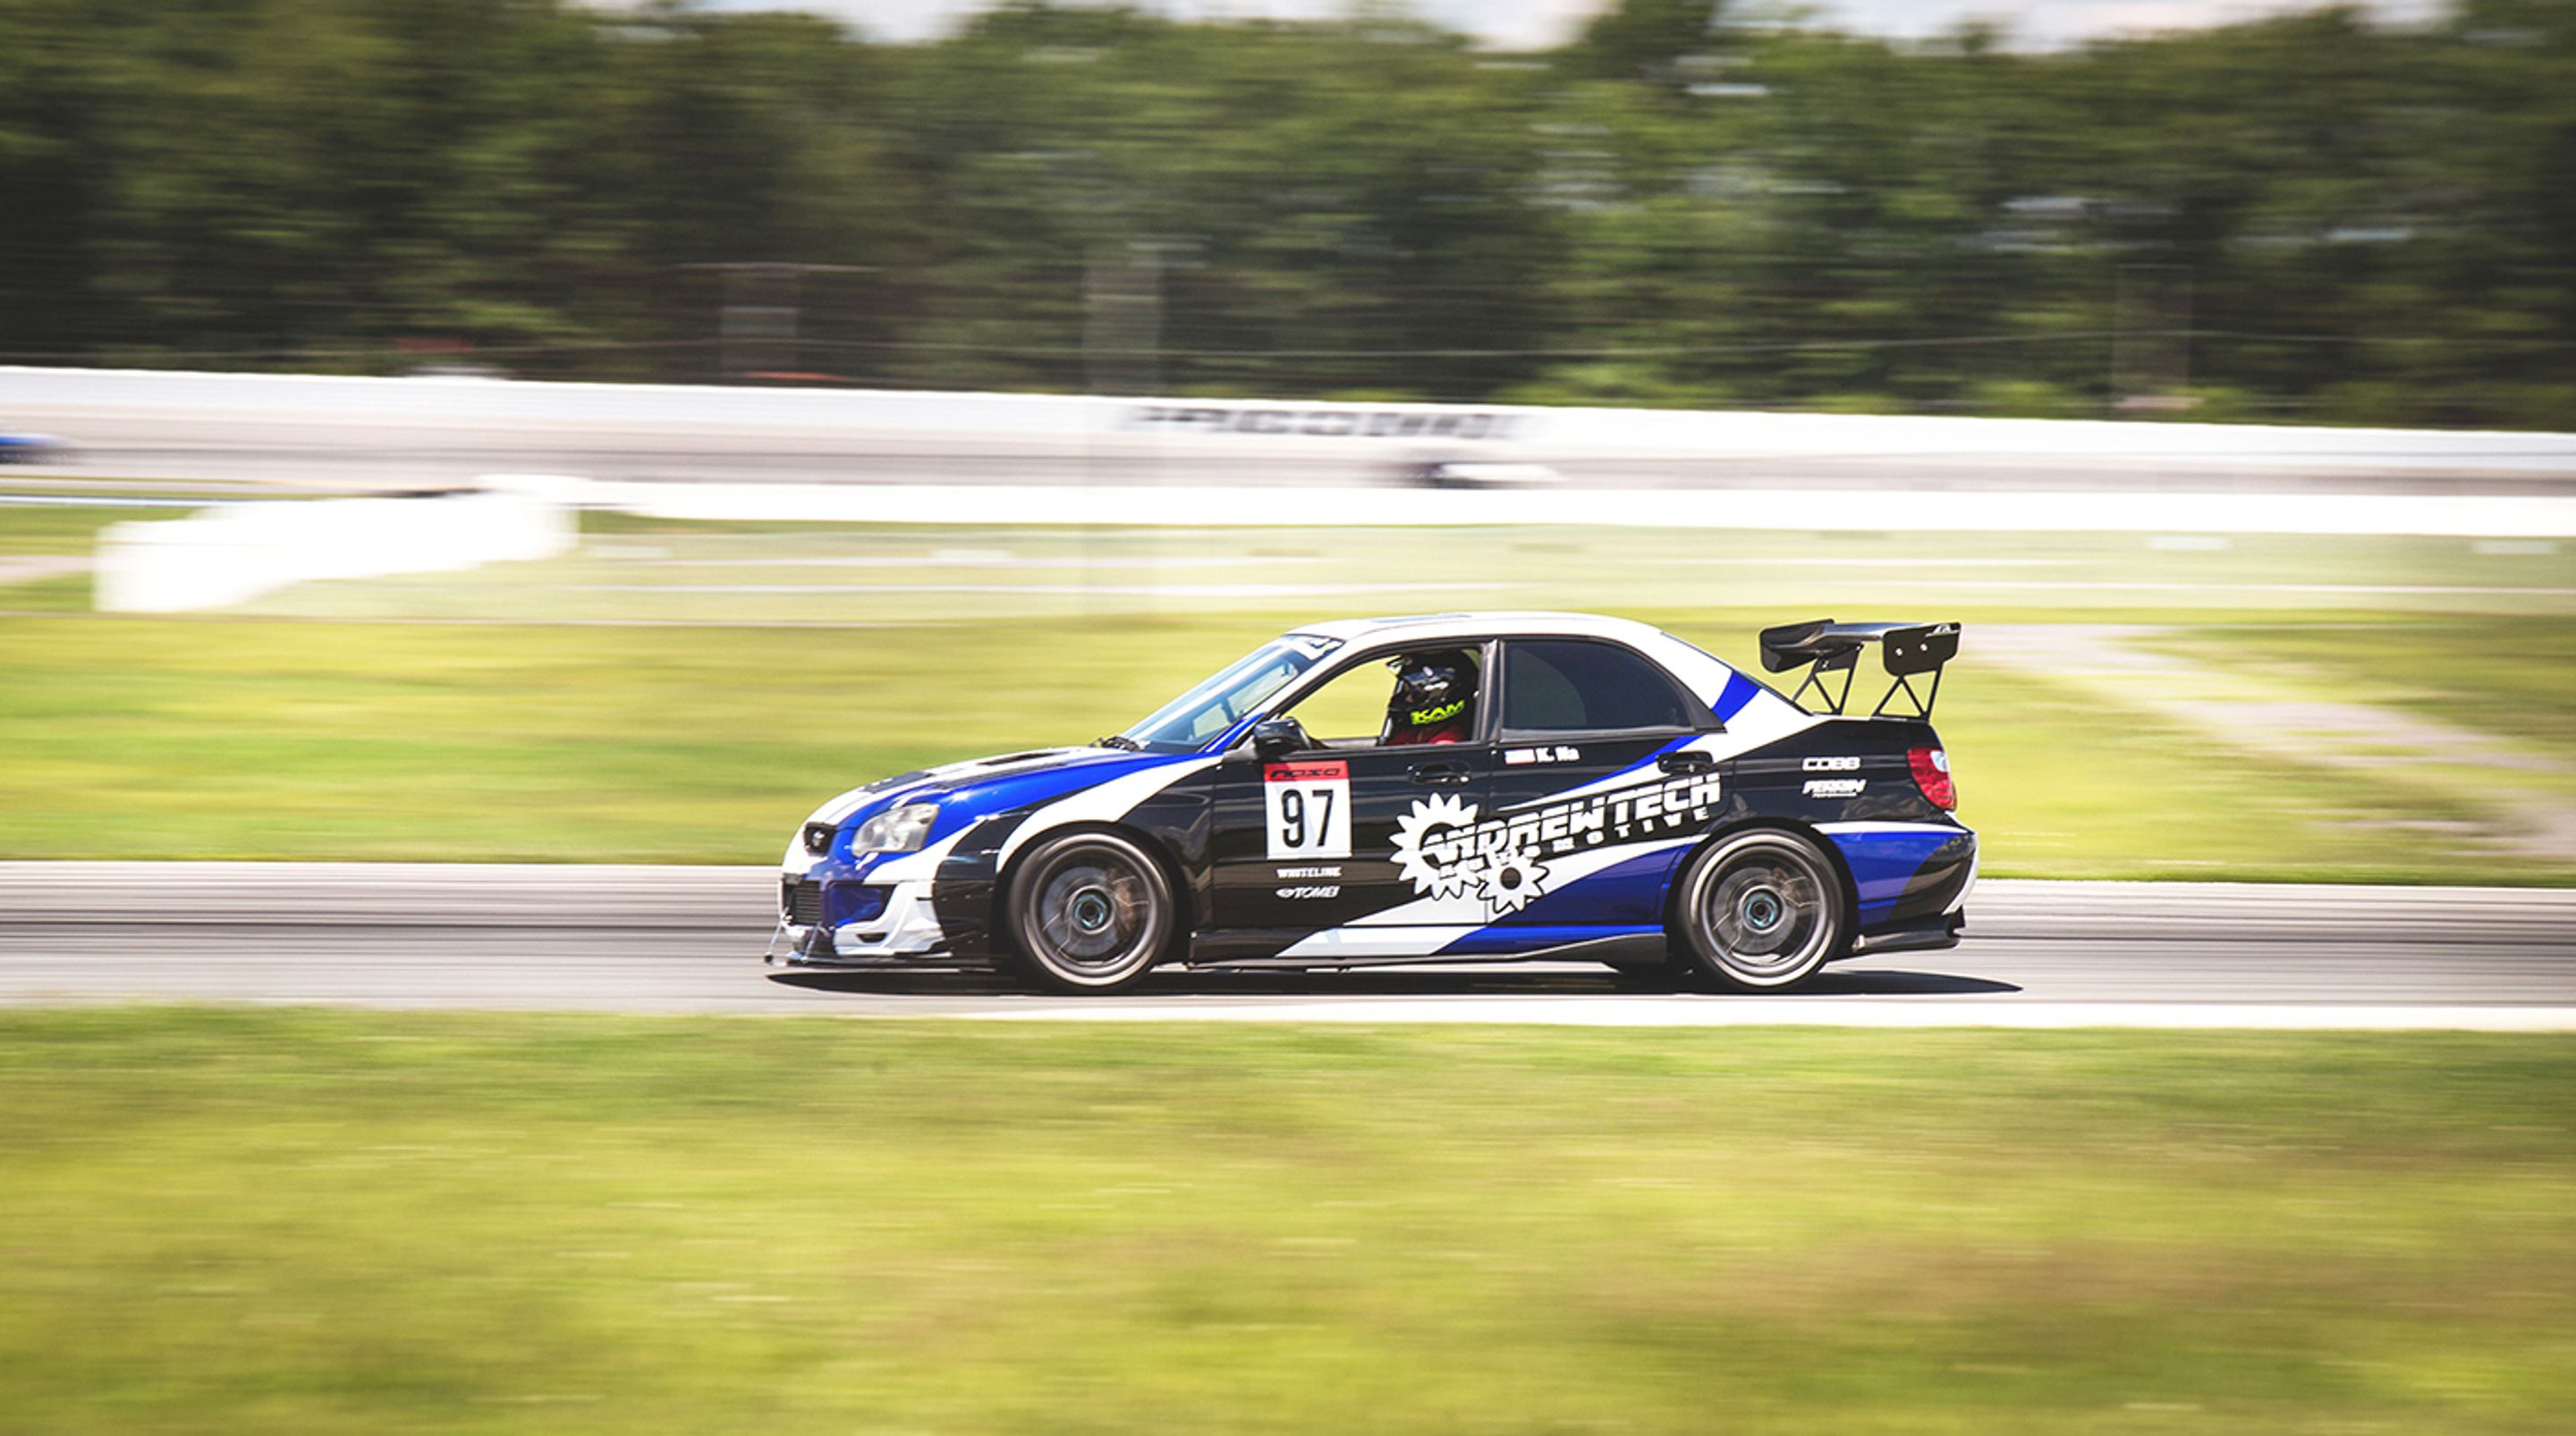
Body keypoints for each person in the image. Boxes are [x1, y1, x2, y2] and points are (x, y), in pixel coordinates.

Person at [1382, 650, 1476, 746]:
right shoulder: (1418, 732)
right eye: (1406, 692)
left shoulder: (1445, 744)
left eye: (1415, 693)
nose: (1407, 699)